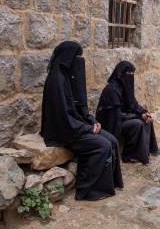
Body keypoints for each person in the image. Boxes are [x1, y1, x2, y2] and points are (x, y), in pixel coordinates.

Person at [40, 41, 123, 201]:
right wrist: (87, 129)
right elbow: (63, 118)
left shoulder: (69, 78)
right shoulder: (56, 80)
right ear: (67, 58)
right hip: (64, 131)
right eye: (77, 57)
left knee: (111, 140)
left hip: (76, 125)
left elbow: (79, 108)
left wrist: (91, 122)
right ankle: (87, 190)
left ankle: (109, 184)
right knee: (102, 145)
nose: (80, 61)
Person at [96, 61, 159, 165]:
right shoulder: (112, 90)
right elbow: (116, 115)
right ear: (120, 74)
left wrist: (144, 112)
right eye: (128, 74)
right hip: (111, 123)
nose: (130, 76)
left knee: (147, 120)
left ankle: (146, 151)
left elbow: (133, 104)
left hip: (121, 119)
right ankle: (130, 155)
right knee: (137, 123)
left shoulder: (125, 87)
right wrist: (138, 116)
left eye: (132, 74)